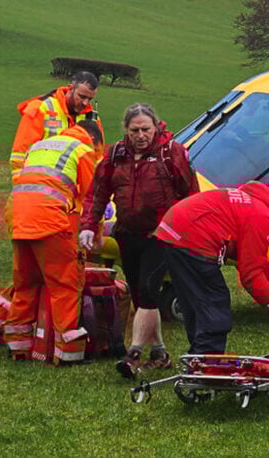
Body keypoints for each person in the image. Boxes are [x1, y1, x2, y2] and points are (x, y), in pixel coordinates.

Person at [80, 103, 200, 378]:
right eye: (134, 130)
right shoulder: (115, 156)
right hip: (128, 234)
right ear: (126, 130)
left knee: (147, 290)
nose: (141, 135)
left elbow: (191, 194)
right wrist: (89, 225)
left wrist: (190, 231)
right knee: (139, 293)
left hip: (161, 234)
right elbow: (97, 193)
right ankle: (159, 352)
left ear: (156, 127)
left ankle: (133, 354)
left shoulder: (172, 153)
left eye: (146, 129)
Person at [154, 183, 269, 355]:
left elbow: (248, 259)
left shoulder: (256, 204)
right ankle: (207, 363)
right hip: (192, 239)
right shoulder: (263, 217)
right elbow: (251, 276)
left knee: (196, 306)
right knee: (215, 305)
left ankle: (198, 359)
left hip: (174, 231)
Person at [3, 120, 104, 364]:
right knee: (64, 283)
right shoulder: (82, 150)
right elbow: (91, 196)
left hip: (18, 217)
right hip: (49, 220)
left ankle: (18, 347)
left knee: (26, 282)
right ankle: (68, 353)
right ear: (95, 140)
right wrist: (94, 233)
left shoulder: (40, 146)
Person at [11, 72, 100, 179]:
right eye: (81, 96)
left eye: (90, 99)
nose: (85, 103)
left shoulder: (91, 117)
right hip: (41, 182)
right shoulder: (40, 108)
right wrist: (22, 186)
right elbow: (20, 154)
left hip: (75, 188)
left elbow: (97, 157)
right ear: (70, 89)